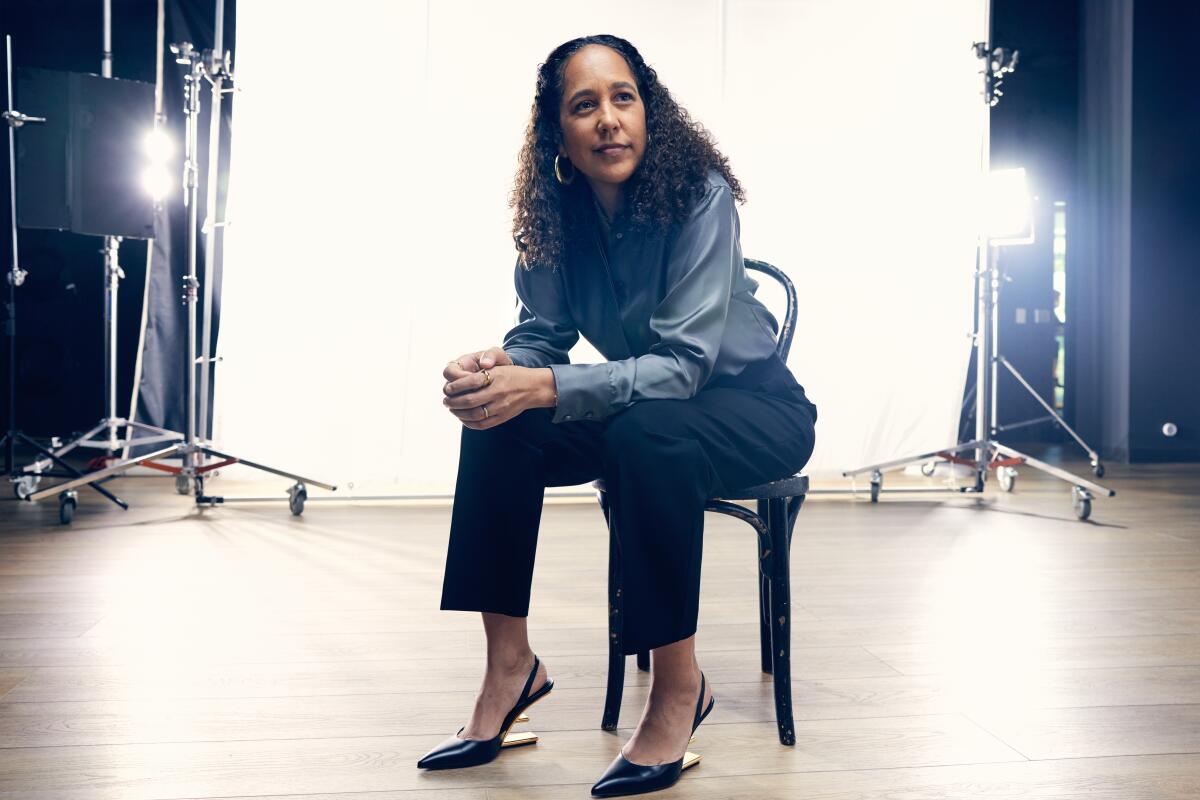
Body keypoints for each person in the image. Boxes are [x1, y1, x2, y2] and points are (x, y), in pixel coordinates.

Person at [417, 34, 817, 797]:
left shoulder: (700, 195)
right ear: (556, 132)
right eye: (584, 105)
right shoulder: (552, 216)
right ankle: (511, 671)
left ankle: (678, 689)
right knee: (500, 416)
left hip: (754, 407)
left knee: (646, 432)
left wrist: (550, 386)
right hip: (645, 407)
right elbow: (542, 335)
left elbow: (685, 368)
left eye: (623, 98)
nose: (608, 119)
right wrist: (500, 370)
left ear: (649, 111)